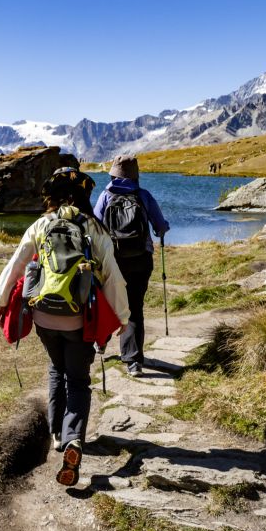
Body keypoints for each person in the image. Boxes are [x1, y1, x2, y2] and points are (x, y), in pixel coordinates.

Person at [0, 167, 129, 486]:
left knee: (57, 368)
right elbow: (113, 276)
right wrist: (123, 318)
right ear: (85, 195)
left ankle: (57, 434)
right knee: (78, 380)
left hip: (43, 315)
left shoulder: (42, 225)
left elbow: (16, 265)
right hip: (79, 318)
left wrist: (1, 300)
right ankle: (73, 439)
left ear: (51, 196)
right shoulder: (93, 227)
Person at [94, 155, 169, 377]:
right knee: (134, 308)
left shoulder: (105, 196)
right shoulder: (143, 196)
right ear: (136, 175)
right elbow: (160, 226)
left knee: (109, 301)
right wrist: (162, 228)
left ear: (113, 175)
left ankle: (101, 342)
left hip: (113, 260)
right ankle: (133, 361)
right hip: (141, 258)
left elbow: (95, 226)